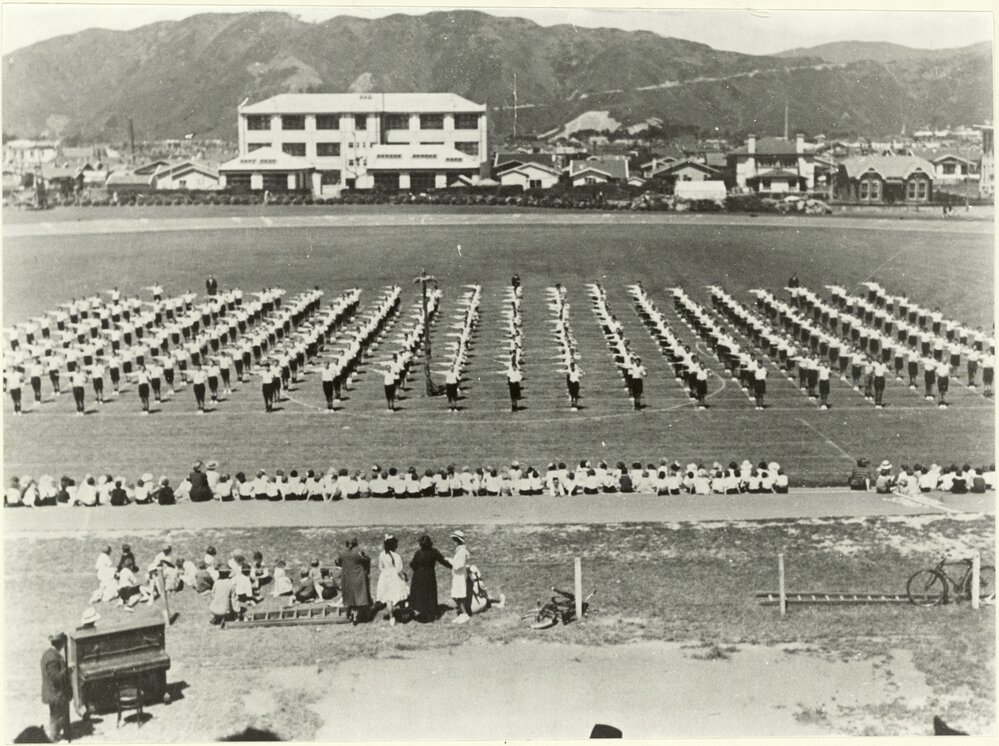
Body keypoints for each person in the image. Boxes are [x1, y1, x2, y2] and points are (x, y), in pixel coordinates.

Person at [408, 535, 451, 623]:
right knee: (430, 593)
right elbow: (443, 561)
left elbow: (413, 565)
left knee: (420, 594)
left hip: (419, 576)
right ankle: (431, 613)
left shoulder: (418, 553)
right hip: (430, 575)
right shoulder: (434, 552)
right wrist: (453, 566)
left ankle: (422, 612)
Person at [41, 632, 73, 742]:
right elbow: (55, 678)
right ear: (60, 643)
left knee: (55, 715)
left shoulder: (48, 653)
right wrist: (68, 670)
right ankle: (53, 738)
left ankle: (55, 736)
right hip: (56, 693)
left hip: (52, 692)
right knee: (57, 717)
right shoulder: (53, 658)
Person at [336, 538, 371, 624]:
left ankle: (351, 611)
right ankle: (357, 615)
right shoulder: (359, 552)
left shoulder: (342, 552)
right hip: (357, 576)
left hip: (347, 577)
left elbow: (338, 562)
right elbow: (367, 559)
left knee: (350, 595)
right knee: (358, 595)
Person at [375, 534, 409, 625]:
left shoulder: (382, 554)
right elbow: (399, 569)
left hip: (385, 577)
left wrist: (386, 572)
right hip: (395, 577)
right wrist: (404, 575)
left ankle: (391, 618)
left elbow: (380, 566)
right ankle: (403, 615)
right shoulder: (397, 556)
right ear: (394, 545)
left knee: (388, 598)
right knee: (400, 596)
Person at [449, 529, 472, 624]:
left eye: (454, 540)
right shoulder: (460, 551)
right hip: (458, 575)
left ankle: (464, 614)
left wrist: (450, 561)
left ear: (458, 541)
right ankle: (462, 613)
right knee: (456, 595)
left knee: (458, 595)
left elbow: (459, 565)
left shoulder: (462, 551)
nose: (453, 542)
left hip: (460, 576)